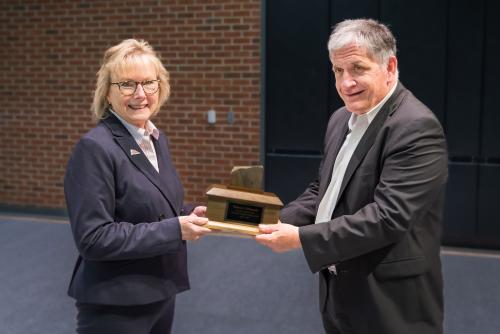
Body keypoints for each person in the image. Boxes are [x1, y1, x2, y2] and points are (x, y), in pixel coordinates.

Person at [256, 19, 448, 334]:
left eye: (357, 68)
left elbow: (388, 217)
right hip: (339, 289)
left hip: (390, 300)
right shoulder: (340, 118)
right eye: (337, 71)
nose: (346, 83)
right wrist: (267, 218)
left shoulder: (415, 126)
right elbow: (324, 190)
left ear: (390, 66)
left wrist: (301, 239)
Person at [64, 39, 211, 334]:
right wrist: (176, 228)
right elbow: (94, 237)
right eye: (127, 84)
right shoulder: (95, 148)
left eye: (149, 83)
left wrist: (191, 212)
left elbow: (153, 204)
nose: (140, 94)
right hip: (116, 304)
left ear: (161, 86)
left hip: (159, 291)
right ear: (107, 92)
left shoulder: (155, 138)